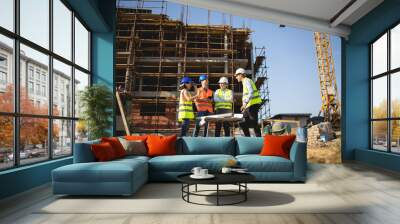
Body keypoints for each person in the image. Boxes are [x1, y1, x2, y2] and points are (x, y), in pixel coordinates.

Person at [234, 68, 262, 137]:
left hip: (253, 104)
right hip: (249, 105)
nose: (236, 77)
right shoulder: (245, 82)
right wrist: (244, 105)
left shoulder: (246, 80)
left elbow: (251, 92)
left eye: (237, 75)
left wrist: (245, 103)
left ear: (241, 75)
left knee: (254, 122)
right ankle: (247, 137)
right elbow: (246, 95)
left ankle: (258, 138)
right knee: (241, 121)